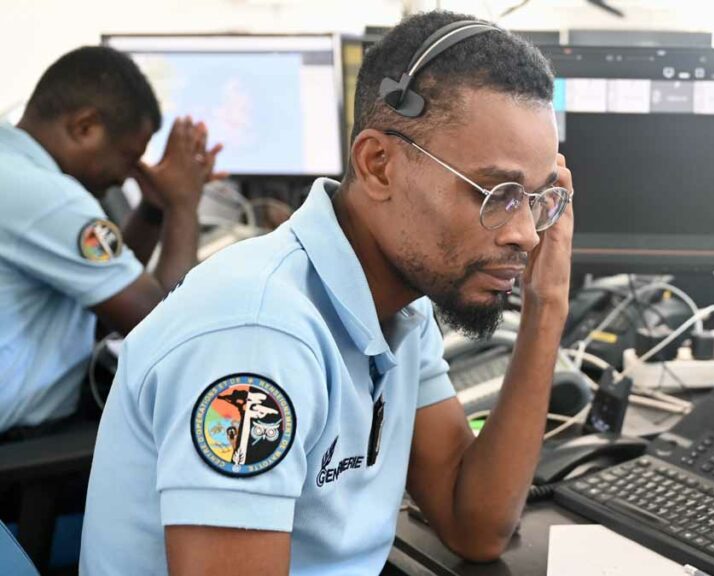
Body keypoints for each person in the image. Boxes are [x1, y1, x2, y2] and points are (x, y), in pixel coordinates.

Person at [81, 10, 574, 575]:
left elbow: (476, 525)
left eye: (538, 198)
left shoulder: (402, 306)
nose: (524, 233)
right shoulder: (260, 335)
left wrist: (546, 304)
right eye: (495, 191)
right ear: (379, 165)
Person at [0, 46, 221, 436]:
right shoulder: (49, 199)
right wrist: (183, 203)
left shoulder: (13, 167)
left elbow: (108, 279)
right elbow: (166, 328)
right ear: (85, 127)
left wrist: (153, 209)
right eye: (127, 157)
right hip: (26, 453)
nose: (125, 177)